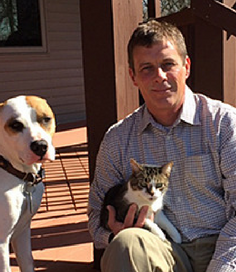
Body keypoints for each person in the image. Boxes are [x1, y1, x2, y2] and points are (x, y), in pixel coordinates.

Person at [88, 19, 236, 272]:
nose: (159, 76)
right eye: (147, 68)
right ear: (133, 76)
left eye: (168, 64)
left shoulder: (224, 123)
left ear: (186, 67)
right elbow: (95, 216)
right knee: (126, 244)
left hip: (221, 245)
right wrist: (112, 234)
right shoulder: (118, 139)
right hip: (158, 247)